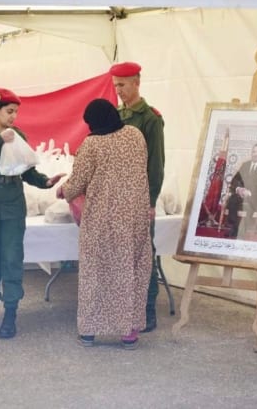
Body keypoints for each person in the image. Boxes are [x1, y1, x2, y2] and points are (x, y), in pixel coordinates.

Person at [0, 88, 65, 339]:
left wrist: (45, 182)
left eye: (16, 112)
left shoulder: (18, 135)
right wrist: (0, 139)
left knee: (12, 259)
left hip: (11, 203)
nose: (13, 117)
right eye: (9, 111)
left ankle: (10, 316)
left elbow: (27, 170)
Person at [56, 98, 152, 349]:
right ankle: (129, 331)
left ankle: (89, 330)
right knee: (131, 269)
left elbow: (77, 182)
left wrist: (63, 191)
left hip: (102, 217)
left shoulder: (92, 144)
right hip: (134, 215)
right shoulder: (135, 135)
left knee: (96, 271)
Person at [112, 61, 164, 333]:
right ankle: (126, 308)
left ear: (136, 83)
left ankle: (147, 311)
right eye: (116, 85)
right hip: (119, 197)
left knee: (144, 255)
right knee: (123, 255)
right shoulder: (117, 115)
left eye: (122, 84)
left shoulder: (150, 118)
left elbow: (156, 164)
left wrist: (151, 201)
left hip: (140, 198)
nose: (118, 90)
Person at [225, 143, 257, 238]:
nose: (255, 154)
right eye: (253, 151)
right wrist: (239, 189)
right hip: (242, 194)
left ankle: (238, 230)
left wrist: (249, 192)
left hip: (255, 196)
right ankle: (235, 226)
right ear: (251, 152)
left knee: (248, 205)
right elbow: (235, 180)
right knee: (233, 200)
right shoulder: (245, 165)